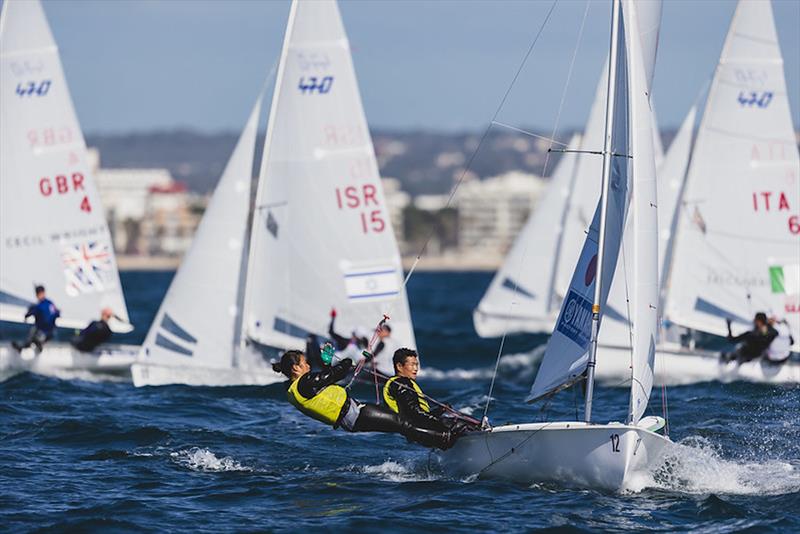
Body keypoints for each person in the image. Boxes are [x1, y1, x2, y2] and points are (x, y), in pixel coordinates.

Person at [272, 350, 454, 450]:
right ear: (296, 368)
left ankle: (436, 437)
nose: (308, 366)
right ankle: (446, 439)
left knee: (401, 422)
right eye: (305, 363)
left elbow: (324, 380)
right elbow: (337, 373)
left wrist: (327, 364)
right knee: (403, 423)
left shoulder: (293, 389)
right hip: (355, 414)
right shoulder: (304, 382)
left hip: (352, 417)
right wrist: (345, 361)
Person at [383, 348, 478, 435]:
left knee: (459, 419)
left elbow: (416, 413)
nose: (416, 369)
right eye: (412, 365)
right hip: (417, 430)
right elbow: (414, 414)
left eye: (417, 364)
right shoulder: (402, 384)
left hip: (417, 427)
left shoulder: (399, 382)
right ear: (399, 366)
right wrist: (439, 421)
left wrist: (440, 410)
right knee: (462, 424)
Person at [12, 285, 60, 352]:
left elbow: (30, 313)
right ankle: (37, 345)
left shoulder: (39, 306)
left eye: (38, 293)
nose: (38, 295)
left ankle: (26, 347)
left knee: (34, 335)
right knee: (36, 336)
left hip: (44, 332)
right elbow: (57, 313)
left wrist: (27, 315)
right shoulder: (49, 303)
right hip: (50, 333)